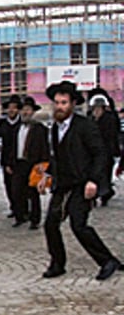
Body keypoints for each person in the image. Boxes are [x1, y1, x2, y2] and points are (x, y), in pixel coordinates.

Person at [41, 82, 120, 281]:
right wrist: (47, 175)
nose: (59, 107)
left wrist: (94, 180)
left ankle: (107, 261)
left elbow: (100, 154)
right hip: (62, 185)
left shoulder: (85, 126)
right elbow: (57, 157)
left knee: (79, 225)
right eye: (57, 103)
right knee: (51, 224)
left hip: (82, 184)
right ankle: (58, 264)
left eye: (64, 103)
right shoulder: (54, 128)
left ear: (73, 104)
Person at [10, 97, 49, 230]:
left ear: (33, 112)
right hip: (18, 164)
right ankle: (20, 216)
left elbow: (45, 148)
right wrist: (10, 163)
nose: (25, 112)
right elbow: (11, 147)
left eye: (28, 110)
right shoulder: (15, 128)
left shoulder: (40, 129)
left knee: (33, 193)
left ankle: (35, 219)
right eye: (23, 110)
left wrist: (42, 165)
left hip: (33, 164)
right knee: (16, 191)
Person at [86, 88, 120, 205]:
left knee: (105, 175)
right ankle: (94, 196)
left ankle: (105, 193)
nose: (97, 110)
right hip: (92, 152)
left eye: (99, 108)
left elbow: (114, 135)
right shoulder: (89, 119)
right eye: (95, 108)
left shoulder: (110, 118)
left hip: (107, 152)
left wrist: (115, 151)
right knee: (94, 174)